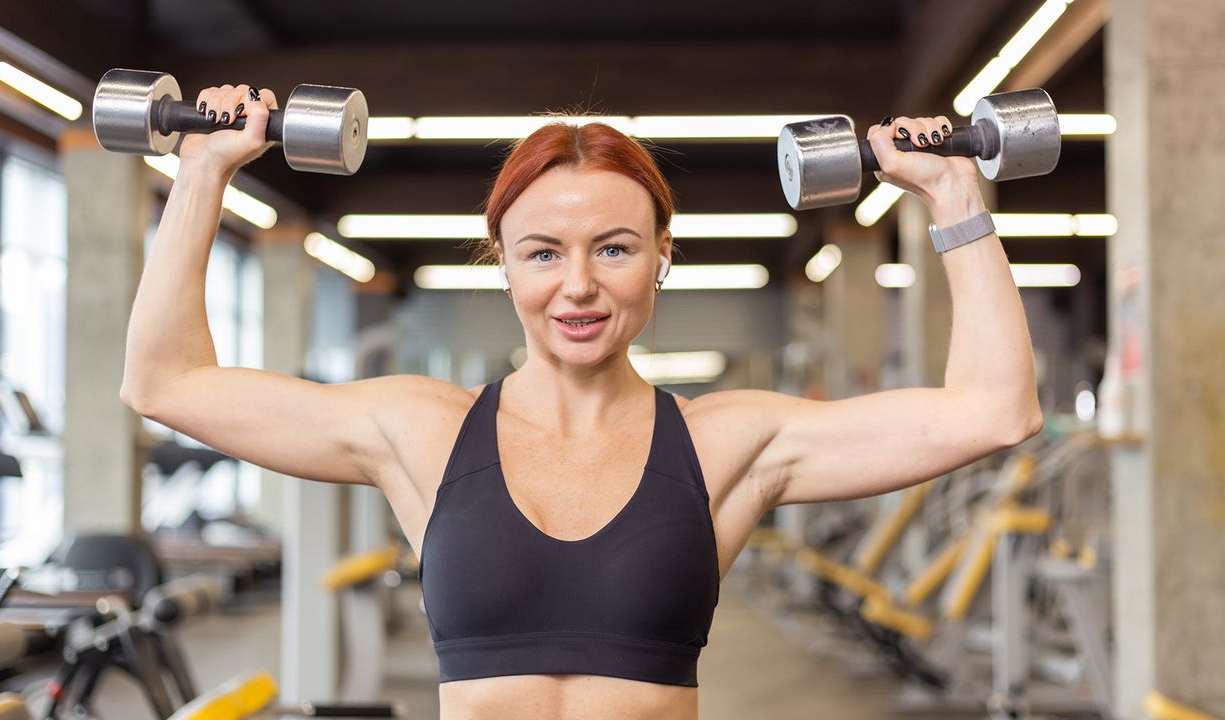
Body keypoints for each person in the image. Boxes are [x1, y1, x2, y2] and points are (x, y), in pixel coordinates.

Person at [120, 84, 1042, 720]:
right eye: (543, 253)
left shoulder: (731, 443)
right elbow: (166, 383)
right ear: (503, 264)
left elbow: (994, 410)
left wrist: (956, 192)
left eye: (613, 248)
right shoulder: (421, 431)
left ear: (660, 257)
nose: (578, 289)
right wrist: (202, 172)